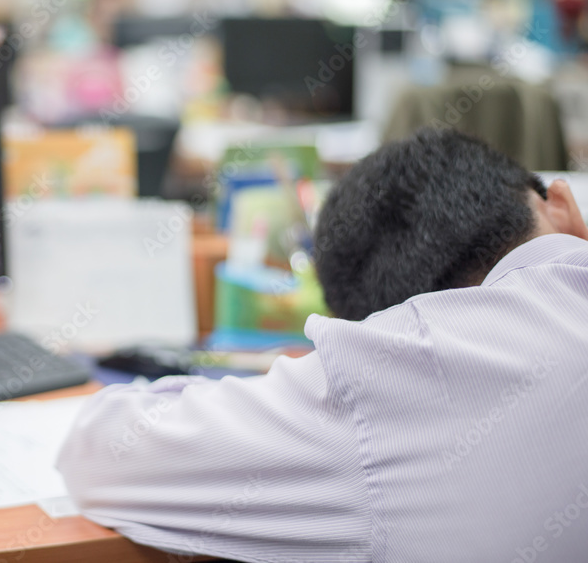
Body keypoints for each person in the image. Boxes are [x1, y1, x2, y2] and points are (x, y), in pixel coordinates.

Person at [56, 128, 588, 563]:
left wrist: (307, 376)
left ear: (375, 325)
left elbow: (98, 453)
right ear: (564, 208)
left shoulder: (395, 370)